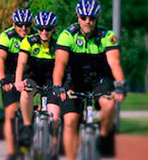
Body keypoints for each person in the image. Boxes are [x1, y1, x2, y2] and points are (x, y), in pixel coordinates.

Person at [52, 0, 126, 159]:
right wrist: (58, 86)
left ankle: (103, 135)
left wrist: (120, 84)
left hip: (99, 80)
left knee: (110, 103)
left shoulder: (107, 36)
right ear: (78, 16)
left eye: (92, 18)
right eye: (84, 17)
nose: (88, 21)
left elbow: (115, 63)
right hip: (74, 81)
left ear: (97, 18)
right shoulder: (67, 36)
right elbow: (60, 64)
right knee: (71, 121)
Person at [14, 11, 60, 157]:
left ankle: (52, 151)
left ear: (54, 28)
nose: (44, 32)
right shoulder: (29, 40)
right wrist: (18, 81)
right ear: (37, 28)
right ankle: (27, 126)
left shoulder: (58, 43)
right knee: (26, 92)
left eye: (48, 28)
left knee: (54, 119)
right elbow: (21, 63)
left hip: (51, 79)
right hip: (33, 77)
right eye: (41, 28)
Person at [0, 9, 33, 160]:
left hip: (28, 75)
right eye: (20, 25)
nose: (24, 28)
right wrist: (2, 79)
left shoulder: (35, 36)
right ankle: (11, 152)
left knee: (31, 108)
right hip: (9, 77)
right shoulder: (6, 37)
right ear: (14, 24)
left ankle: (29, 138)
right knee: (10, 112)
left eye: (27, 25)